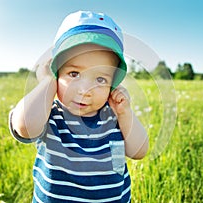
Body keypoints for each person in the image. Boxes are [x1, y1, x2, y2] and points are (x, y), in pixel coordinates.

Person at [9, 10, 149, 203]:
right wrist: (49, 81)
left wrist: (125, 113)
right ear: (57, 72)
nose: (85, 90)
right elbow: (24, 126)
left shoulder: (113, 115)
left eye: (100, 78)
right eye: (74, 74)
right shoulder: (49, 113)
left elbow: (139, 152)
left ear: (113, 84)